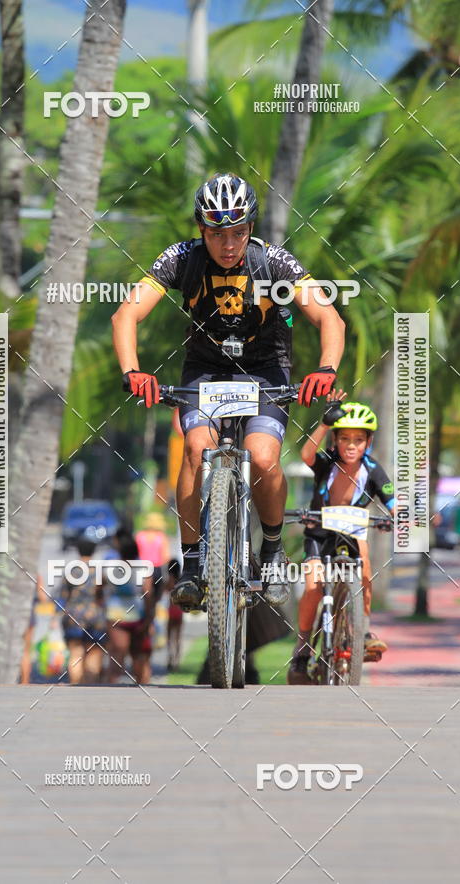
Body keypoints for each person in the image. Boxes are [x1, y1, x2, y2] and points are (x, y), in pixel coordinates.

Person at [112, 172, 345, 610]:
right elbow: (126, 315)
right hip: (206, 371)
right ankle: (194, 560)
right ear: (202, 230)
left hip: (264, 372)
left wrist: (326, 369)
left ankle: (273, 552)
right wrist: (134, 371)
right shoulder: (181, 259)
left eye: (238, 231)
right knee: (197, 449)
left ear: (250, 229)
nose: (228, 243)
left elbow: (330, 318)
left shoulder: (273, 262)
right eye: (218, 233)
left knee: (262, 456)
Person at [288, 394, 395, 684]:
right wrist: (324, 424)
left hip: (352, 532)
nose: (351, 445)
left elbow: (392, 499)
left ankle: (363, 632)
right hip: (319, 534)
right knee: (312, 587)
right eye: (344, 438)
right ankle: (302, 648)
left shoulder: (373, 471)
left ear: (368, 443)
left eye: (358, 440)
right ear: (335, 440)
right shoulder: (326, 462)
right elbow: (306, 455)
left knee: (366, 572)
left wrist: (401, 517)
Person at [105, 529, 156, 685]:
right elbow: (148, 595)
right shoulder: (143, 568)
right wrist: (149, 619)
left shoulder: (111, 567)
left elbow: (99, 588)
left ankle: (111, 688)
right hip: (138, 615)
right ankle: (142, 687)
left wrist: (101, 601)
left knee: (116, 656)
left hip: (116, 615)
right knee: (139, 657)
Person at [59, 537, 107, 685]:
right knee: (94, 653)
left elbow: (63, 596)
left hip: (74, 616)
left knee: (76, 653)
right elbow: (103, 595)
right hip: (95, 617)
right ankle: (90, 689)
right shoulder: (99, 572)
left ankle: (75, 686)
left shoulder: (71, 571)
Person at [135, 511, 171, 605]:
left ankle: (145, 614)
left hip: (141, 569)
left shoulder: (139, 536)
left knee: (143, 598)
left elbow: (135, 554)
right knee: (156, 599)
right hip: (156, 570)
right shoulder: (162, 537)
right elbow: (166, 557)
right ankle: (152, 614)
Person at [165, 558, 183, 672]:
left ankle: (170, 658)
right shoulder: (181, 580)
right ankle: (177, 660)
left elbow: (164, 590)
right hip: (179, 610)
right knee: (178, 637)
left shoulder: (169, 581)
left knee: (169, 636)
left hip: (171, 610)